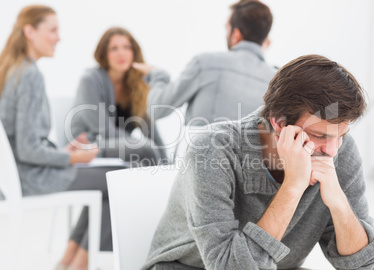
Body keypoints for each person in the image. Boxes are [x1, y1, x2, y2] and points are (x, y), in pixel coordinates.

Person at [142, 55, 374, 270]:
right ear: (278, 123)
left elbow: (364, 265)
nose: (332, 150)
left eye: (340, 136)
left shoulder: (340, 150)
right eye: (320, 135)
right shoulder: (212, 149)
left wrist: (339, 202)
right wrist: (293, 186)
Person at [0, 6, 119, 270]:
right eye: (52, 30)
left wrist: (63, 151)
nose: (58, 37)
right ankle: (78, 265)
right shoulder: (29, 75)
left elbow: (27, 143)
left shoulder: (12, 70)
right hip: (33, 176)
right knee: (117, 179)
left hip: (19, 176)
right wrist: (74, 156)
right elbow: (29, 150)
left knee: (108, 181)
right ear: (30, 31)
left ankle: (68, 261)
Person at [145, 0, 277, 126]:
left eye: (227, 29)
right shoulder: (277, 81)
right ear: (266, 40)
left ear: (236, 34)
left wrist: (157, 75)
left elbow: (157, 109)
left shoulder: (205, 63)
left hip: (200, 148)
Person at [70, 27, 169, 164]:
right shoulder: (89, 80)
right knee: (144, 149)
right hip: (91, 145)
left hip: (120, 146)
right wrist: (141, 144)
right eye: (114, 48)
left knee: (150, 152)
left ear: (133, 52)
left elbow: (152, 133)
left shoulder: (138, 85)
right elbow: (104, 130)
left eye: (126, 47)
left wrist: (169, 167)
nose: (121, 53)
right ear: (104, 54)